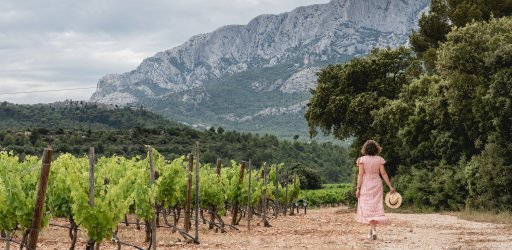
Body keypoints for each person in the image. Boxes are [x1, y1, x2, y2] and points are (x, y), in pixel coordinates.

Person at [355, 139, 395, 240]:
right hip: (377, 184)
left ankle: (373, 231)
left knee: (368, 208)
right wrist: (390, 186)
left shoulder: (362, 160)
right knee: (375, 208)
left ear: (365, 149)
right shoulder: (379, 159)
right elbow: (383, 174)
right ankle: (373, 230)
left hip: (366, 185)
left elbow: (360, 175)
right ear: (376, 149)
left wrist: (358, 188)